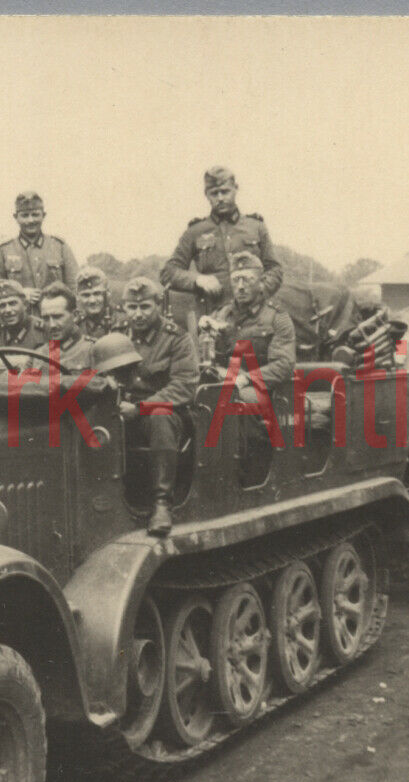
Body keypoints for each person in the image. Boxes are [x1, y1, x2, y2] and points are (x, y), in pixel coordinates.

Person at [117, 277, 200, 536]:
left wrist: (140, 408)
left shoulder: (176, 339)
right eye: (132, 307)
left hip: (167, 414)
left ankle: (162, 503)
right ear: (123, 308)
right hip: (123, 411)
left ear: (158, 306)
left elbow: (183, 387)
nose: (138, 314)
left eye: (145, 307)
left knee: (160, 417)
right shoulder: (117, 336)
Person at [161, 166, 283, 318]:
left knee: (259, 335)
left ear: (235, 189)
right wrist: (197, 279)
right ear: (206, 195)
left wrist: (258, 290)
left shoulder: (256, 227)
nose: (220, 198)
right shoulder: (195, 232)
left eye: (225, 192)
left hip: (252, 318)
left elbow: (275, 269)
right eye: (214, 193)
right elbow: (168, 272)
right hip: (212, 317)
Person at [206, 252, 296, 393]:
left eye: (248, 279)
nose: (240, 286)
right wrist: (205, 334)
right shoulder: (221, 315)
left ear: (261, 282)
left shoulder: (277, 317)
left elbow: (283, 364)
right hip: (222, 384)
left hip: (260, 389)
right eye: (236, 280)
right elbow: (209, 360)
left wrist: (247, 379)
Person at [0, 192, 79, 291]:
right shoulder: (3, 251)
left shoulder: (60, 247)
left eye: (35, 215)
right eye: (25, 215)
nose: (30, 220)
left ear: (43, 215)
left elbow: (76, 287)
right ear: (16, 217)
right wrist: (19, 293)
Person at [36, 283, 94, 371]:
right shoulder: (38, 355)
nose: (52, 325)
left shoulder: (92, 351)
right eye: (46, 318)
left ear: (75, 316)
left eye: (57, 317)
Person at [0, 279, 46, 352]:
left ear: (25, 305)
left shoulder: (43, 329)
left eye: (12, 303)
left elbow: (55, 357)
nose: (8, 310)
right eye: (2, 305)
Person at [74, 266, 126, 339]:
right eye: (86, 295)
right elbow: (57, 345)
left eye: (97, 294)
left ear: (107, 294)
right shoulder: (75, 324)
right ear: (78, 297)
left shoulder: (122, 321)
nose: (92, 300)